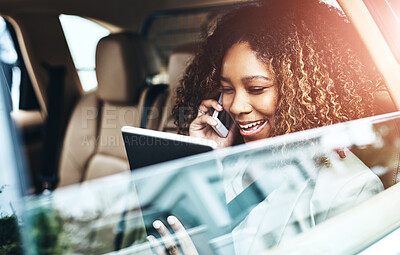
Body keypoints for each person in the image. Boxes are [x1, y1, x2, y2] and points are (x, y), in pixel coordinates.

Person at [147, 0, 387, 254]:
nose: (236, 106)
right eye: (227, 89)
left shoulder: (348, 189)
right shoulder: (232, 160)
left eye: (256, 89)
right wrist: (204, 157)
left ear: (301, 92)